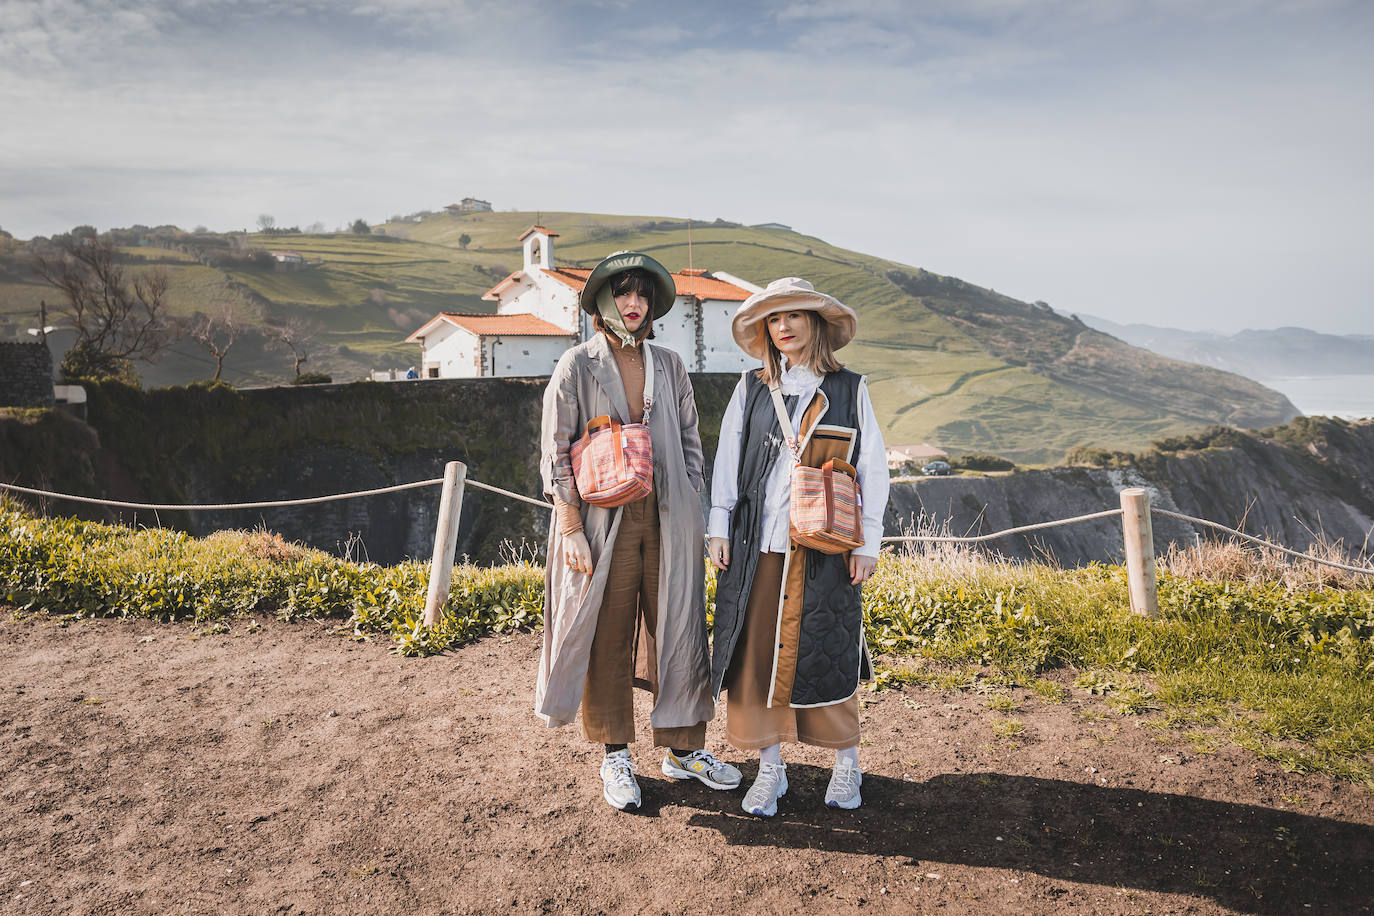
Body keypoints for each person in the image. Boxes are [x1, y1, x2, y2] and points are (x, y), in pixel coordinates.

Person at [535, 250, 741, 811]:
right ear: (604, 302)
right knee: (608, 632)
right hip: (604, 524)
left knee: (678, 629)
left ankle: (682, 749)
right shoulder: (576, 365)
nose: (633, 304)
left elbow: (692, 440)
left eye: (643, 295)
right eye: (623, 293)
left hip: (669, 518)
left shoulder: (670, 364)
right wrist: (571, 525)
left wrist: (692, 501)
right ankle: (615, 754)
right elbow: (555, 453)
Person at [707, 276, 889, 817]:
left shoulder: (851, 390)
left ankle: (847, 765)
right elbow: (727, 458)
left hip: (825, 553)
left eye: (794, 316)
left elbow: (873, 469)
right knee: (755, 662)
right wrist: (719, 526)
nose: (783, 327)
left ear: (815, 325)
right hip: (758, 550)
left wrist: (868, 542)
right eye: (774, 319)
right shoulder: (751, 388)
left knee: (825, 655)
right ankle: (770, 769)